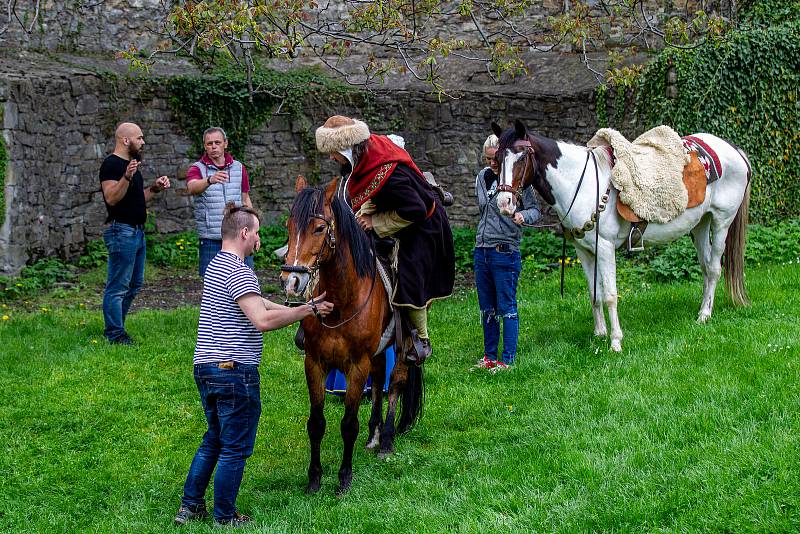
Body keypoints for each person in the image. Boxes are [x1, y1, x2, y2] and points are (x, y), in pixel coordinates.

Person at [175, 204, 333, 527]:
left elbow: (259, 303)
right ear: (245, 234)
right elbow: (261, 319)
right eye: (258, 232)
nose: (260, 239)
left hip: (206, 368)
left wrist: (305, 304)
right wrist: (307, 312)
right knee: (234, 447)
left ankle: (189, 507)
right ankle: (225, 516)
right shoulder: (240, 271)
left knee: (214, 439)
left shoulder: (216, 267)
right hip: (234, 372)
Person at [315, 115, 455, 362]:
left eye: (333, 152)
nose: (331, 158)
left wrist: (374, 222)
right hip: (397, 211)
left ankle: (419, 338)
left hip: (423, 224)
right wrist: (365, 212)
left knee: (409, 276)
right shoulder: (367, 157)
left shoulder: (390, 174)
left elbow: (417, 208)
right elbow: (375, 192)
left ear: (346, 149)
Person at [99, 122, 171, 345]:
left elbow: (137, 197)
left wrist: (155, 188)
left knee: (134, 284)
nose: (143, 142)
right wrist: (127, 177)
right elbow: (111, 197)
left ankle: (115, 326)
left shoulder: (132, 165)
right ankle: (115, 333)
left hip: (136, 233)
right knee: (118, 285)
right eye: (139, 138)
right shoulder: (111, 165)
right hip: (121, 230)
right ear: (125, 140)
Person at [474, 134, 541, 370]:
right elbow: (484, 208)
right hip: (482, 250)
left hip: (505, 250)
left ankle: (507, 360)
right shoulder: (482, 177)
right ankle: (489, 356)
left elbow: (535, 210)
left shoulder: (519, 180)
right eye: (488, 158)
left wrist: (523, 215)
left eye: (496, 158)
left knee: (506, 307)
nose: (492, 163)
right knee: (487, 309)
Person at [186, 127, 255, 277]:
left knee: (245, 279)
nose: (213, 146)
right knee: (213, 284)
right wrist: (210, 180)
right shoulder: (197, 168)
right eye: (209, 143)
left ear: (225, 143)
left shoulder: (239, 167)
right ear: (205, 146)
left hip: (239, 236)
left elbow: (245, 199)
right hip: (211, 238)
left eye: (217, 142)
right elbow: (191, 188)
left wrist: (255, 232)